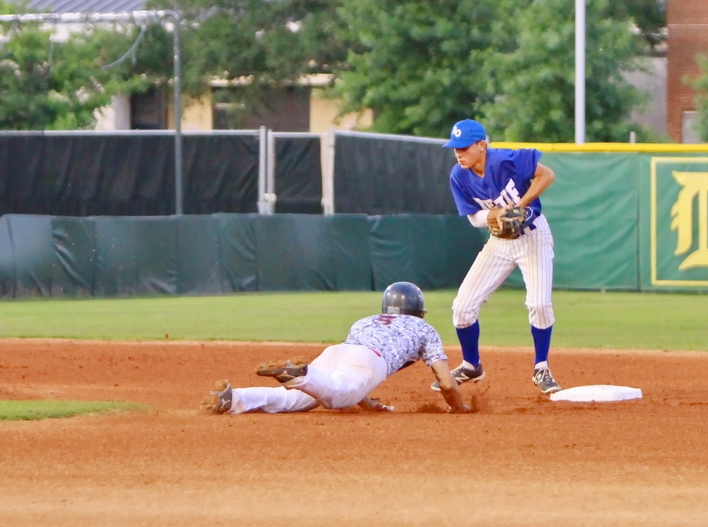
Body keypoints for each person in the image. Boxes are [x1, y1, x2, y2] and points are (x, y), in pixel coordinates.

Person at [200, 281, 472, 414]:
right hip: (368, 359)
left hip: (337, 352)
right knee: (337, 399)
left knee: (297, 400)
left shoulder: (366, 320)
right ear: (418, 310)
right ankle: (299, 375)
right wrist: (460, 408)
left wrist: (366, 403)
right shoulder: (424, 329)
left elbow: (353, 369)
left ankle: (233, 398)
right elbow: (447, 383)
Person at [435, 118, 562, 395]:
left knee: (539, 304)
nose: (459, 153)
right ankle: (471, 365)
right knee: (462, 308)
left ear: (482, 145)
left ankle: (541, 367)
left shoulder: (506, 160)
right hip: (499, 242)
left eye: (465, 147)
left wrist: (520, 205)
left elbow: (547, 175)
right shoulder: (459, 175)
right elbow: (473, 218)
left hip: (533, 236)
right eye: (455, 148)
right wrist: (494, 215)